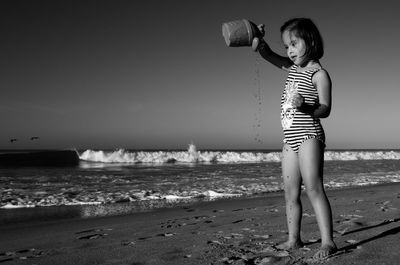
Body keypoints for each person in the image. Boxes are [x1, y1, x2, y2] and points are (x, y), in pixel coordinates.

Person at [252, 18, 337, 260]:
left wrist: (306, 106)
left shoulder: (319, 74)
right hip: (289, 138)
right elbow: (266, 53)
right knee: (290, 193)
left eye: (293, 43)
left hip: (310, 134)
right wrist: (257, 37)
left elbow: (326, 109)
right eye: (286, 45)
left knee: (313, 187)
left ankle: (328, 242)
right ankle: (293, 239)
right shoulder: (291, 68)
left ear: (309, 42)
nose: (288, 50)